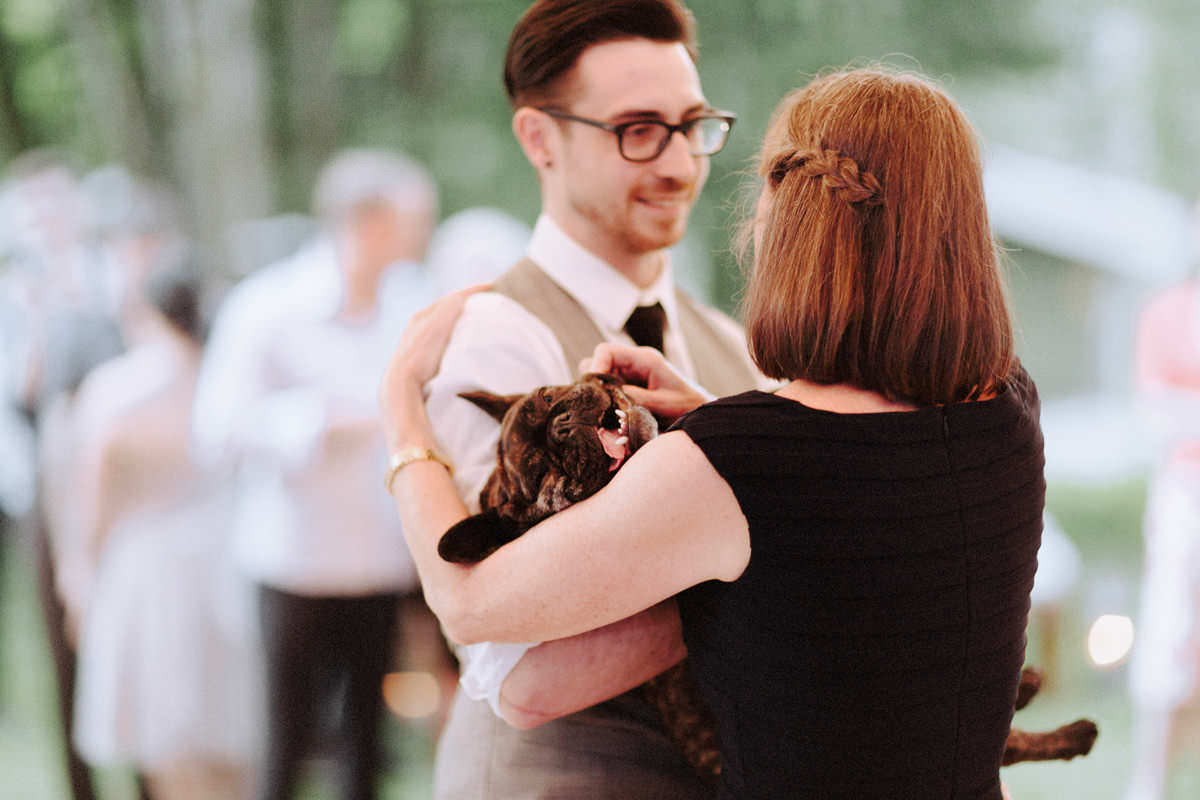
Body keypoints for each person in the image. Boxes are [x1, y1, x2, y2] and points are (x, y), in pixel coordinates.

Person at [382, 66, 1046, 799]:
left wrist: (403, 418)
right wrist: (714, 416)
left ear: (788, 222)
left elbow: (472, 604)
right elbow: (860, 500)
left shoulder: (735, 463)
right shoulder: (1009, 413)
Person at [417, 1, 765, 797]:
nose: (680, 164)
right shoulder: (493, 342)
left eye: (693, 125)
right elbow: (512, 667)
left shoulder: (729, 343)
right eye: (638, 130)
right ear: (540, 138)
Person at [191, 148, 437, 800]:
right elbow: (215, 427)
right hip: (291, 557)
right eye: (410, 219)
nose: (420, 234)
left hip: (381, 554)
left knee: (367, 741)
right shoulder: (267, 306)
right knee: (287, 739)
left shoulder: (415, 306)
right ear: (367, 222)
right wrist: (313, 421)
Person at [66, 258, 258, 800]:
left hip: (148, 568)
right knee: (230, 721)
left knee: (166, 731)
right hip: (229, 560)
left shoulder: (118, 388)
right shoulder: (227, 375)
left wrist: (82, 577)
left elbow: (94, 501)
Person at [1125, 246, 1200, 800]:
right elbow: (1153, 409)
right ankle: (1149, 782)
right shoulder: (1168, 311)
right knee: (1169, 632)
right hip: (1184, 492)